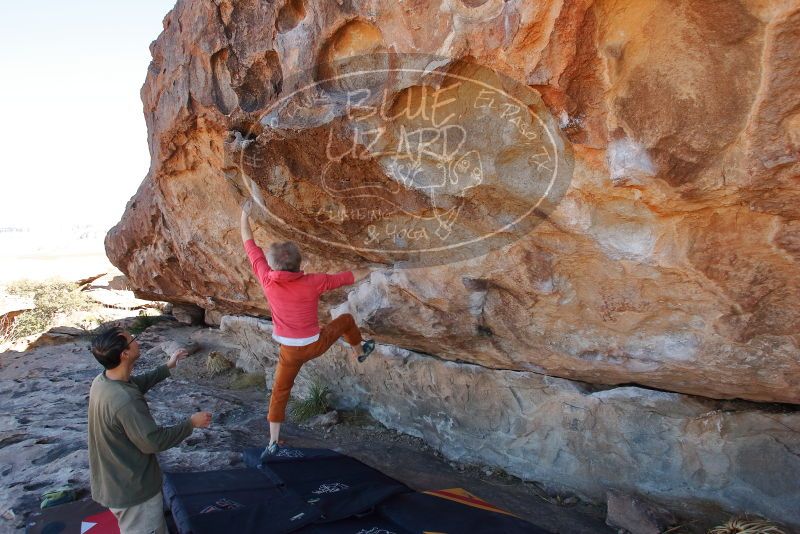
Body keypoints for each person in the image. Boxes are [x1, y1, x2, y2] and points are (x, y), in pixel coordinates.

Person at [240, 200, 375, 459]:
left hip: (290, 352)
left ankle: (273, 442)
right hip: (316, 344)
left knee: (280, 392)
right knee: (345, 320)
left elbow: (249, 244)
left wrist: (244, 214)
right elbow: (349, 276)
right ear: (299, 264)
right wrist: (376, 266)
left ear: (272, 265)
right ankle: (360, 351)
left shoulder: (267, 279)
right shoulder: (313, 281)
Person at [88, 327, 212, 534]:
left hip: (113, 481)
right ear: (125, 354)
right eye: (132, 340)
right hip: (133, 492)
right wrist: (191, 424)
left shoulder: (103, 382)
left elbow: (134, 384)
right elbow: (153, 442)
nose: (138, 341)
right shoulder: (124, 400)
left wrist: (168, 366)